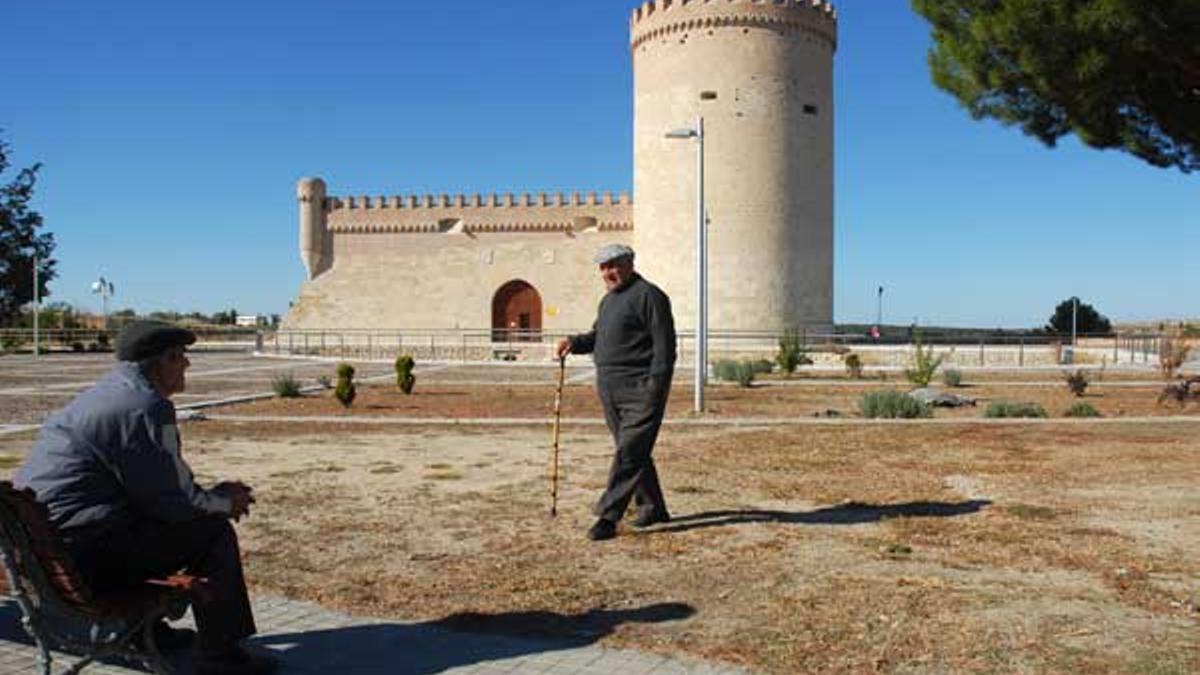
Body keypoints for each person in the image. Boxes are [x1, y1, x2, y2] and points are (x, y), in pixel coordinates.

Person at [15, 321, 275, 675]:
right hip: (82, 557)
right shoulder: (146, 406)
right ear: (161, 361)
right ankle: (221, 655)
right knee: (213, 532)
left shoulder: (103, 394)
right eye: (181, 357)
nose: (187, 365)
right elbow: (175, 501)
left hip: (47, 551)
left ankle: (143, 631)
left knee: (149, 523)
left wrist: (209, 497)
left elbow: (152, 493)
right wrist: (226, 503)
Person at [556, 244, 676, 541]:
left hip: (641, 389)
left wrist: (655, 387)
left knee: (629, 451)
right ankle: (652, 507)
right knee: (633, 451)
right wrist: (574, 342)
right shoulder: (608, 301)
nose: (608, 272)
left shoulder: (650, 296)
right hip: (610, 388)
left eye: (614, 265)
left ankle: (608, 516)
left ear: (630, 263)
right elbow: (598, 337)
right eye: (603, 267)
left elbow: (665, 347)